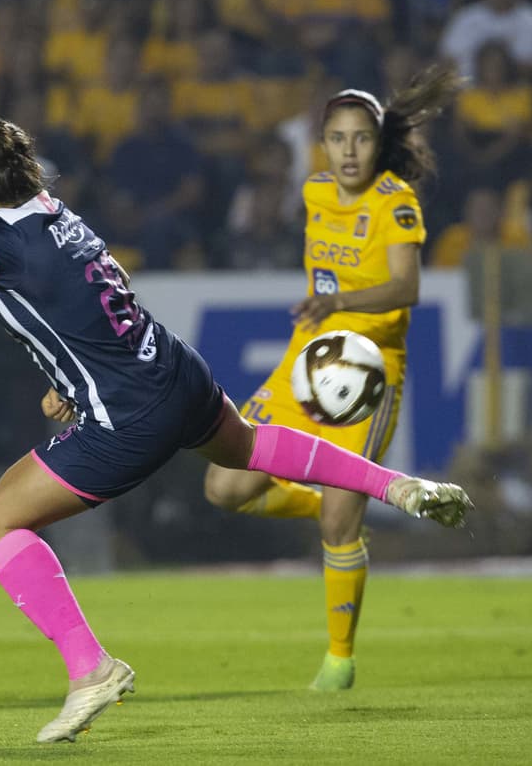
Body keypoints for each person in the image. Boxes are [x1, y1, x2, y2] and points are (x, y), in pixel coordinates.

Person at [0, 115, 473, 743]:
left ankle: (90, 666)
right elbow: (76, 309)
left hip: (129, 411)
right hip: (175, 368)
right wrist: (66, 384)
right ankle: (397, 484)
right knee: (246, 446)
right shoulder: (61, 215)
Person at [203, 68, 463, 692]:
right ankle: (327, 498)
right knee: (223, 487)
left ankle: (339, 661)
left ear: (378, 144)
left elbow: (407, 287)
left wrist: (338, 299)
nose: (350, 152)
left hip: (369, 376)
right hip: (306, 365)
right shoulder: (316, 192)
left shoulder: (396, 202)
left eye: (362, 139)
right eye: (338, 139)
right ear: (321, 145)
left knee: (340, 529)